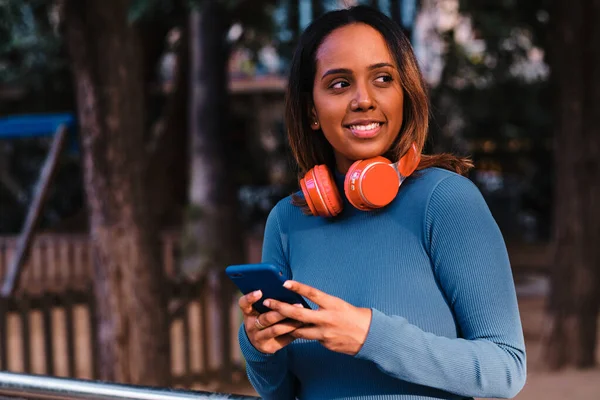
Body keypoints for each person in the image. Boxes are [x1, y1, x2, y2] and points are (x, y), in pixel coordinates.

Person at [237, 5, 526, 400]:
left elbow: (506, 369)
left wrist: (369, 335)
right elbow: (280, 392)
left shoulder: (446, 201)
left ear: (404, 93)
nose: (364, 100)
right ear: (311, 111)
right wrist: (259, 349)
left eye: (383, 79)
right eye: (339, 84)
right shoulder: (288, 220)